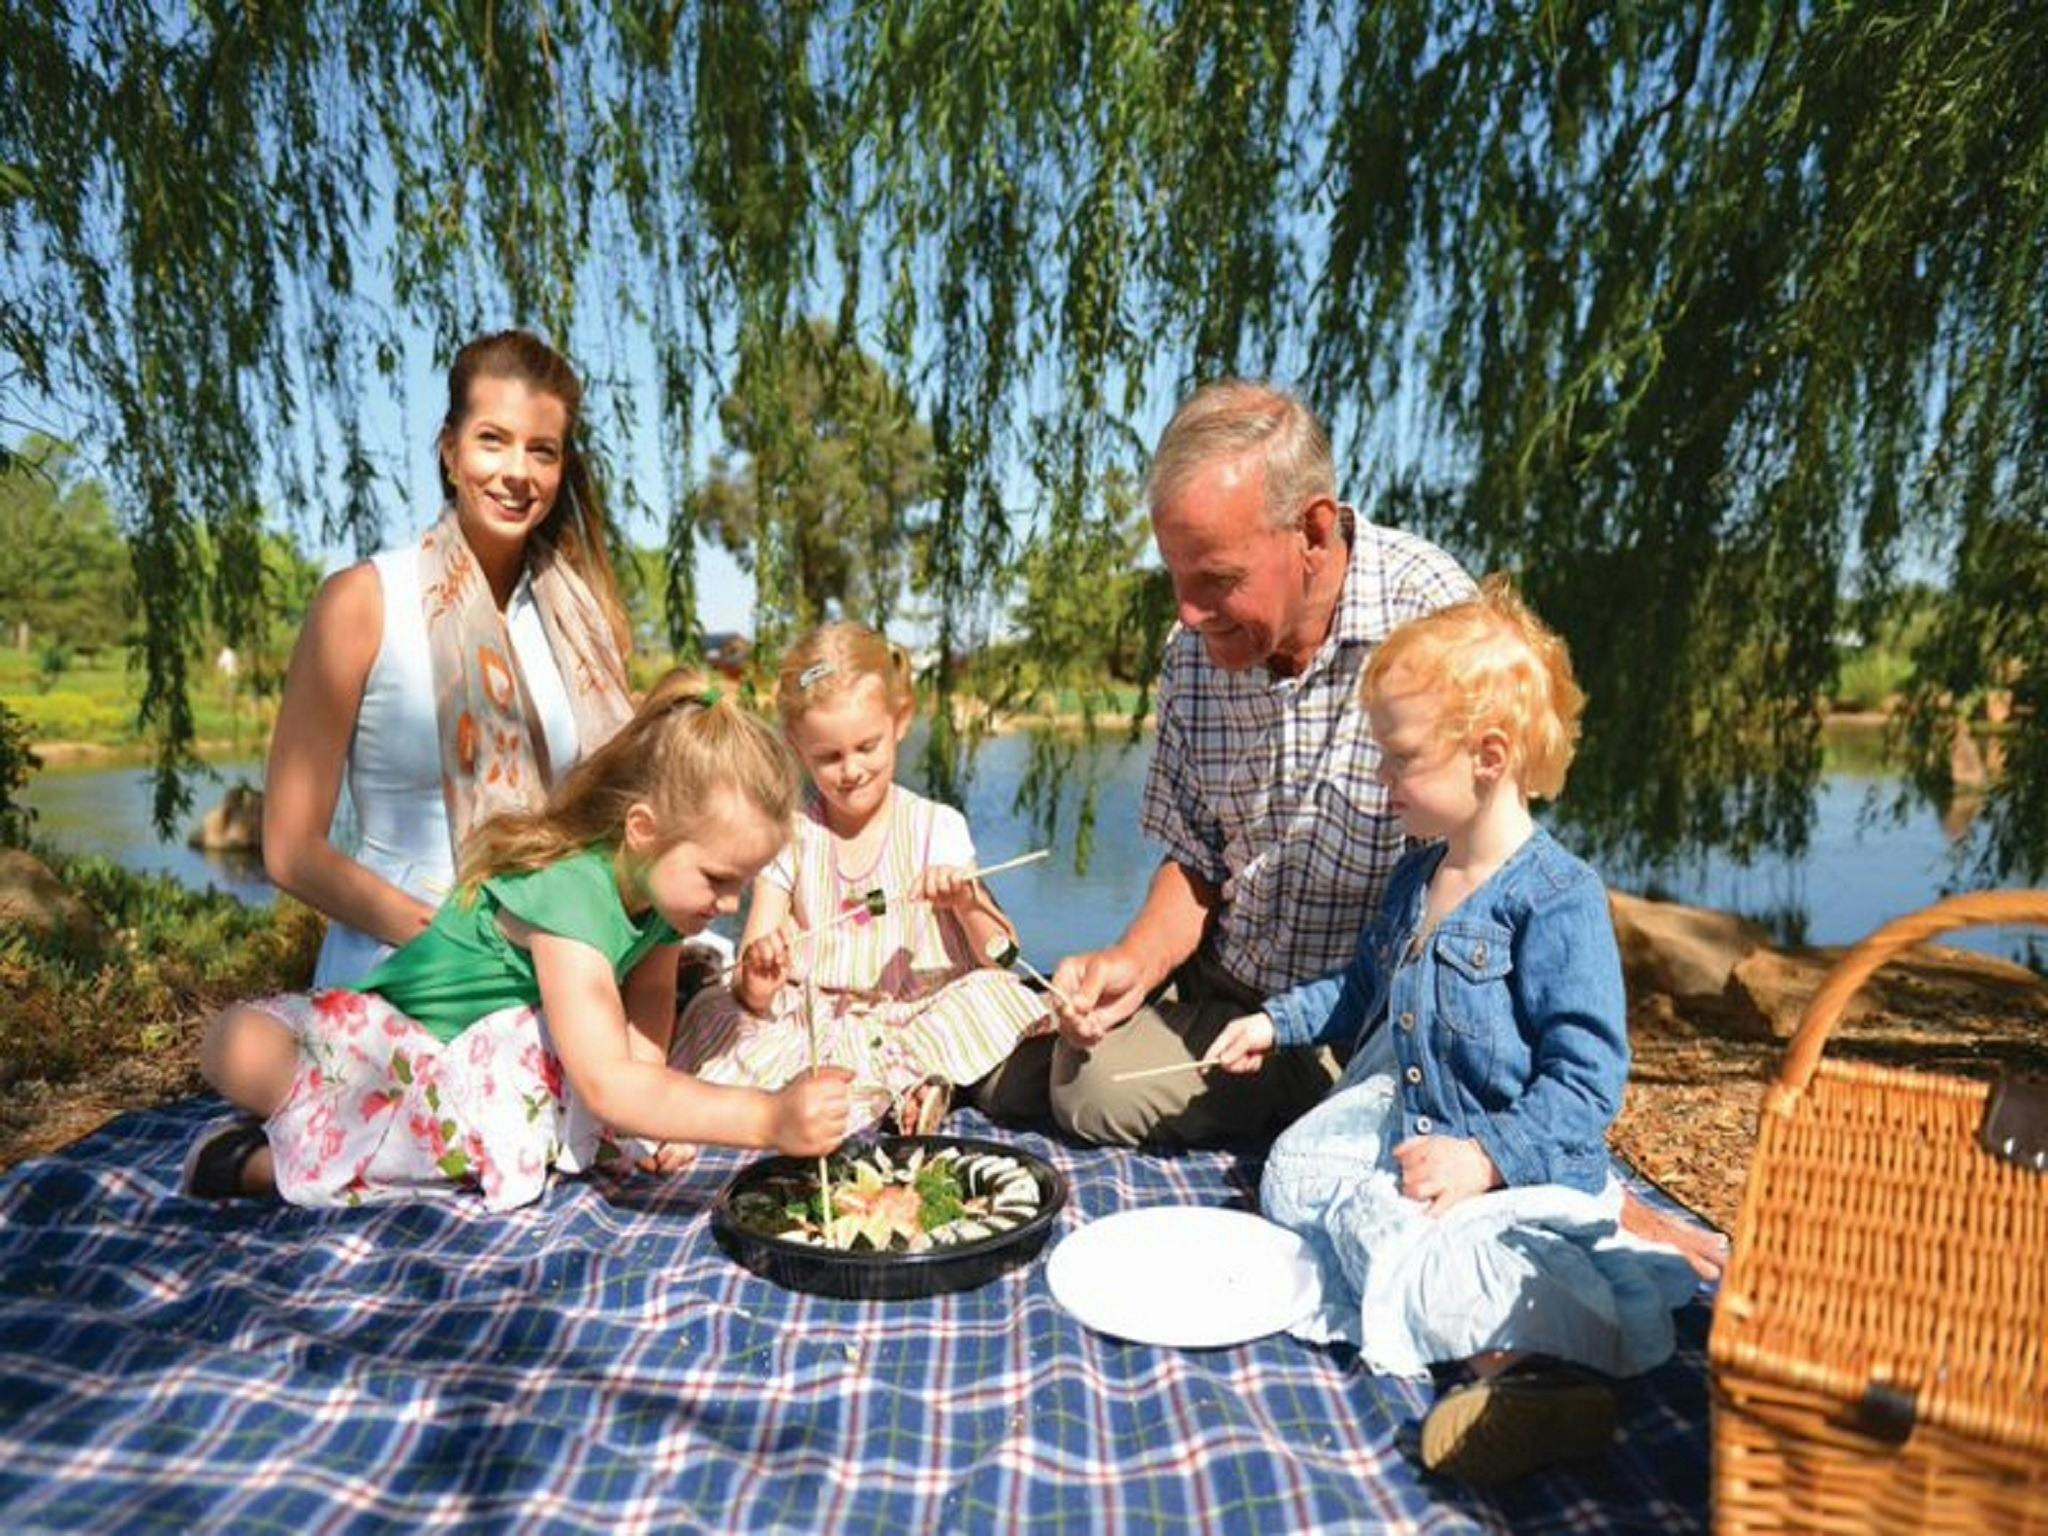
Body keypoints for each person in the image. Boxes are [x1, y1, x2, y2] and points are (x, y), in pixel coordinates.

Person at [1203, 582, 1696, 1485]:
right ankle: (1465, 1314)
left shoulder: (1556, 898)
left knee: (1464, 1255)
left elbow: (1587, 1085)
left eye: (1399, 761)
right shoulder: (1414, 880)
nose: (1382, 784)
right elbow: (1360, 999)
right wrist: (1274, 1023)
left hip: (1511, 1171)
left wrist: (1485, 1158)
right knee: (1297, 1176)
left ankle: (1522, 1380)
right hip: (1413, 1144)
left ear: (1489, 757)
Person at [998, 379, 1476, 1145]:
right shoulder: (1192, 653)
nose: (1187, 613)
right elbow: (1193, 862)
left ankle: (1336, 1113)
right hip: (1226, 1002)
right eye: (1175, 579)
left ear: (1313, 534)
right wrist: (1135, 962)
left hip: (1378, 1017)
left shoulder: (1436, 621)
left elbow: (1482, 884)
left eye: (1216, 580)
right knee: (1085, 1087)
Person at [185, 672, 853, 1209]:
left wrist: (653, 1118)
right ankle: (264, 1167)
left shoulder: (665, 897)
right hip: (393, 1038)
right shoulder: (573, 895)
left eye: (744, 884)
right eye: (719, 879)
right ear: (643, 829)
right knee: (237, 1045)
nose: (732, 905)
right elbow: (608, 1082)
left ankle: (316, 1141)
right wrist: (767, 1120)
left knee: (517, 1112)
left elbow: (645, 1014)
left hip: (490, 1056)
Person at [264, 330, 637, 990]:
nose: (517, 472)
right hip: (408, 961)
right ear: (449, 450)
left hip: (560, 959)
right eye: (493, 439)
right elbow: (292, 851)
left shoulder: (583, 623)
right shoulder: (363, 601)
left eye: (541, 451)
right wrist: (462, 945)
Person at [671, 622, 1053, 1137]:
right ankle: (885, 1095)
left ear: (900, 721)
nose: (850, 770)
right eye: (828, 756)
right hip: (817, 1018)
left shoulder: (936, 827)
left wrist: (965, 902)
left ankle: (909, 1086)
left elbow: (1003, 955)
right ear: (796, 747)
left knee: (993, 993)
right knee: (713, 1012)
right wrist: (759, 977)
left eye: (866, 747)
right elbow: (751, 972)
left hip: (919, 1012)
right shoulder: (787, 833)